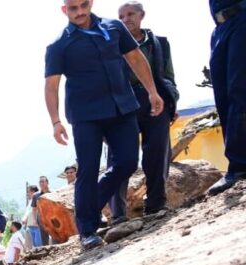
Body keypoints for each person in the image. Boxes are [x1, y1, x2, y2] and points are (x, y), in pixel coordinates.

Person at [45, 0, 164, 250]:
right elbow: (52, 85)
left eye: (83, 5)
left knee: (128, 162)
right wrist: (55, 121)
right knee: (87, 169)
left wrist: (152, 91)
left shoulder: (115, 28)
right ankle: (87, 230)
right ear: (64, 10)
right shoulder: (59, 45)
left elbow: (135, 57)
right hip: (86, 115)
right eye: (73, 8)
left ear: (91, 3)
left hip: (122, 108)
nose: (79, 12)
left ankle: (89, 206)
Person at [107, 1, 178, 218]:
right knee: (119, 159)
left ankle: (156, 205)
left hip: (153, 100)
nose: (126, 19)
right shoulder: (111, 46)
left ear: (141, 15)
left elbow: (168, 76)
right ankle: (118, 215)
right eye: (121, 16)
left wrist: (171, 103)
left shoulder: (159, 43)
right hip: (122, 105)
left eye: (130, 14)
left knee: (157, 152)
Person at [206, 0, 246, 195]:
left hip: (241, 19)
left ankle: (239, 165)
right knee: (223, 96)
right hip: (220, 28)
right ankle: (237, 162)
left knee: (239, 90)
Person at [32, 176, 52, 246]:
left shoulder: (53, 193)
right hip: (41, 219)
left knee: (55, 237)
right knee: (44, 239)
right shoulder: (35, 195)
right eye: (40, 182)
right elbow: (34, 209)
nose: (42, 183)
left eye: (43, 181)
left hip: (52, 218)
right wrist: (34, 220)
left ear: (47, 182)